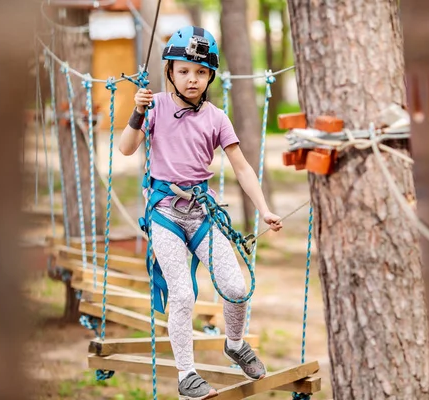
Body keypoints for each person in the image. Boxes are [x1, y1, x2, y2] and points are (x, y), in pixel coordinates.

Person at [119, 25, 282, 400]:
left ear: (210, 75)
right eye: (183, 71)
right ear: (170, 74)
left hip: (201, 213)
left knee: (236, 288)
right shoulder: (155, 105)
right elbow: (127, 149)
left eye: (200, 72)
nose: (192, 79)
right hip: (164, 213)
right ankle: (187, 376)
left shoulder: (216, 118)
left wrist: (265, 209)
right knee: (181, 294)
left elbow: (241, 167)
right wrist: (137, 112)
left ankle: (236, 343)